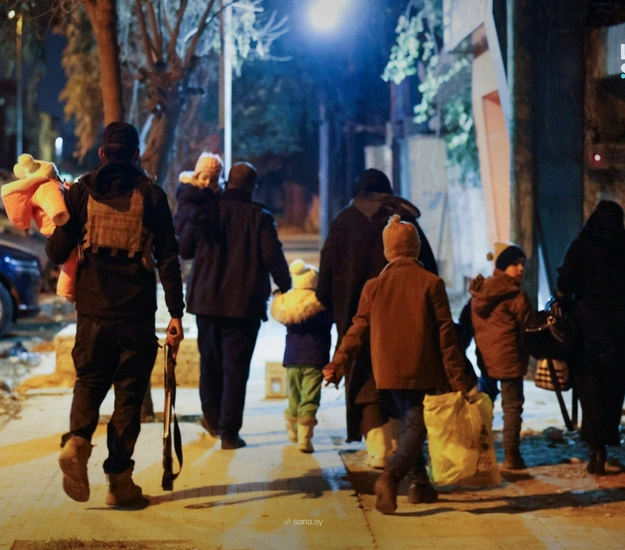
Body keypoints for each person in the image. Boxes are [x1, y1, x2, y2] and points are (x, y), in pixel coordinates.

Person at [46, 122, 184, 506]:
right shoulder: (152, 196)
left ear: (103, 153)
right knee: (128, 399)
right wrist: (176, 313)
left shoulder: (80, 193)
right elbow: (169, 257)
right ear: (137, 155)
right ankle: (119, 484)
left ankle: (77, 442)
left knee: (89, 383)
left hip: (91, 315)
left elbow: (57, 252)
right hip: (136, 316)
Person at [323, 215, 477, 515]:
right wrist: (459, 379)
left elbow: (358, 328)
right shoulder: (432, 283)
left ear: (386, 251)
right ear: (416, 249)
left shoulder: (373, 286)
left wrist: (338, 362)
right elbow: (446, 336)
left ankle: (420, 484)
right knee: (416, 425)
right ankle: (391, 478)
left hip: (387, 372)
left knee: (411, 422)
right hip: (421, 369)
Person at [317, 168, 438, 468]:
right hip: (406, 320)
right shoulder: (403, 220)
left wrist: (333, 308)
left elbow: (326, 277)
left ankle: (379, 449)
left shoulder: (344, 222)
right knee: (401, 376)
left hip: (357, 317)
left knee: (365, 379)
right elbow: (430, 268)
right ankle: (401, 448)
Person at [178, 162, 291, 449]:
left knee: (210, 364)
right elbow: (272, 256)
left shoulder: (207, 210)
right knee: (236, 369)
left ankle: (213, 420)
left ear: (227, 182)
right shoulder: (260, 217)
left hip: (205, 302)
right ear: (252, 187)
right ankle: (229, 432)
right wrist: (285, 285)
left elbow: (186, 250)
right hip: (243, 306)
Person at [556, 200, 625, 475]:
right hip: (621, 330)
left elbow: (564, 284)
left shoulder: (582, 244)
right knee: (613, 388)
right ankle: (606, 441)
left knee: (589, 389)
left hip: (588, 329)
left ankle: (595, 449)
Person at [468, 242, 533, 470]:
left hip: (485, 357)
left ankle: (477, 450)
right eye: (515, 264)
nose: (520, 268)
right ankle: (512, 456)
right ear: (504, 266)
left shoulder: (480, 292)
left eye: (522, 264)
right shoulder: (514, 294)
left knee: (486, 402)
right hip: (509, 358)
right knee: (512, 407)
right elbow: (527, 322)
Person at [270, 260, 332, 453]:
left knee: (294, 395)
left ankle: (292, 428)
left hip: (292, 357)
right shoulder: (321, 304)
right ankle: (305, 438)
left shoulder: (286, 304)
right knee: (310, 397)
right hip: (316, 356)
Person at [173, 152, 223, 238]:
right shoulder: (188, 193)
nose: (207, 183)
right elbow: (188, 209)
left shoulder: (218, 197)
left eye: (213, 180)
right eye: (204, 178)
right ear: (197, 176)